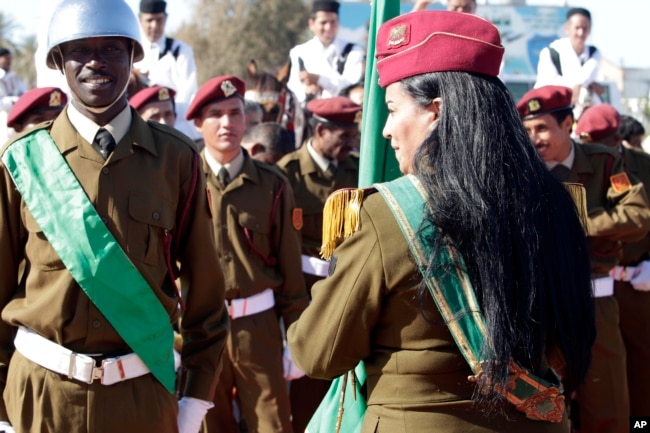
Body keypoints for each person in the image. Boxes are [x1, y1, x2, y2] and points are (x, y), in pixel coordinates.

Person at [288, 10, 596, 433]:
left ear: (435, 111)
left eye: (393, 109)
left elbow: (318, 354)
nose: (386, 129)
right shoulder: (560, 201)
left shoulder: (388, 214)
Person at [0, 0, 230, 432]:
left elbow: (205, 293)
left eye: (111, 50)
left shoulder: (175, 158)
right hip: (41, 395)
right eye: (80, 50)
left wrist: (195, 399)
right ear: (58, 62)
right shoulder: (22, 161)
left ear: (132, 57)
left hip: (140, 399)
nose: (95, 62)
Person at [517, 86, 650, 433]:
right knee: (542, 408)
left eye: (542, 128)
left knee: (607, 405)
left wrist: (580, 222)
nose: (535, 139)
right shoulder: (521, 170)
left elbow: (637, 215)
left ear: (568, 124)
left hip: (596, 303)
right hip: (541, 309)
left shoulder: (605, 163)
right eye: (528, 131)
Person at [186, 74, 309, 433]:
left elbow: (290, 271)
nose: (228, 123)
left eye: (236, 113)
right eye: (217, 114)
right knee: (207, 425)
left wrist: (295, 338)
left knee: (272, 424)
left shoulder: (273, 185)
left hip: (259, 330)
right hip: (199, 329)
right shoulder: (182, 179)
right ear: (197, 122)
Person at [276, 95, 361, 433]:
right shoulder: (287, 174)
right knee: (307, 386)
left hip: (349, 295)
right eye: (344, 136)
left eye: (354, 136)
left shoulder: (357, 170)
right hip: (305, 298)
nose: (352, 143)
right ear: (321, 130)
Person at [575, 104, 650, 418]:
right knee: (597, 376)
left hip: (637, 285)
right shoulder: (575, 161)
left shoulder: (638, 166)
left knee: (640, 366)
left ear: (617, 138)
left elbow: (639, 215)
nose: (589, 148)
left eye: (598, 142)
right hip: (596, 287)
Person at [134, 0, 199, 140]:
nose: (154, 25)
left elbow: (188, 94)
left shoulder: (180, 51)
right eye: (149, 20)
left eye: (159, 20)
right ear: (140, 19)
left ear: (166, 18)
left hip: (175, 124)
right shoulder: (131, 52)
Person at [287, 0, 365, 106]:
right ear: (311, 24)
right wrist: (306, 90)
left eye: (333, 22)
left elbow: (350, 83)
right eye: (323, 22)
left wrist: (318, 79)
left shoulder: (354, 50)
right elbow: (293, 85)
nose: (328, 27)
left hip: (344, 116)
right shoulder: (299, 52)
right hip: (309, 114)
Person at [534, 7, 602, 120]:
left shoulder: (593, 52)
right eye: (577, 28)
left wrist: (580, 85)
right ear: (567, 28)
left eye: (585, 28)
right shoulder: (551, 53)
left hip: (583, 116)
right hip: (555, 115)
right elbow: (548, 86)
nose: (581, 33)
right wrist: (581, 86)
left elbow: (589, 72)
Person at [412, 0, 476, 13]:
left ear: (475, 6)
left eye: (466, 7)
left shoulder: (483, 29)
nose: (460, 10)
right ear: (448, 5)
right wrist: (416, 9)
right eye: (455, 7)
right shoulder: (439, 26)